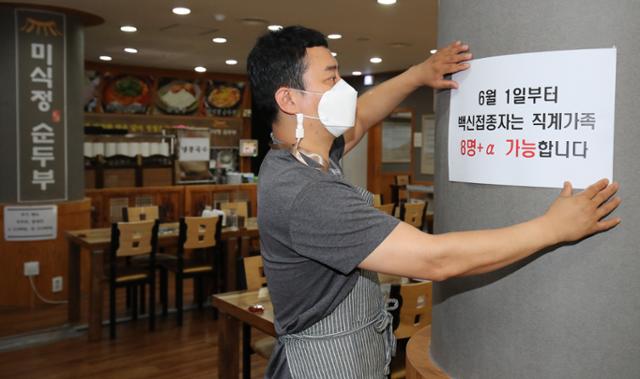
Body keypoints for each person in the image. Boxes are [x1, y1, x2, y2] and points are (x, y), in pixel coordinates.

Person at [247, 26, 621, 379]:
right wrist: (552, 228)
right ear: (289, 98)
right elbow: (434, 259)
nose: (344, 88)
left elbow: (361, 118)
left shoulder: (301, 156)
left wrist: (417, 74)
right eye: (330, 79)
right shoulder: (306, 192)